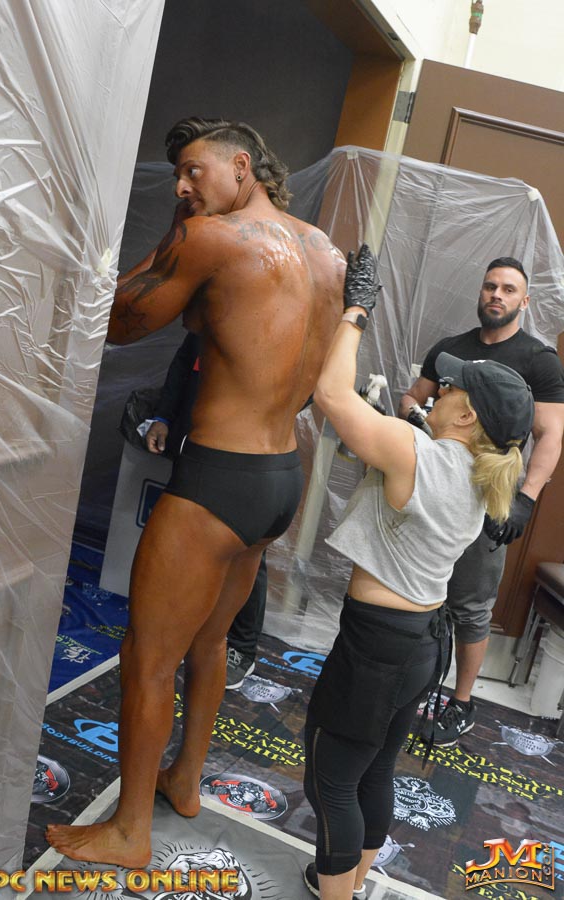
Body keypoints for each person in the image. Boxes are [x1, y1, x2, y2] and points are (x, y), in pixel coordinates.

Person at [46, 117, 345, 866]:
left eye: (192, 171)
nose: (181, 186)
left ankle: (128, 831)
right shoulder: (325, 251)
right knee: (209, 642)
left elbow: (117, 322)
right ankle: (183, 780)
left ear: (241, 166)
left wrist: (176, 234)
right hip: (279, 480)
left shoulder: (212, 238)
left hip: (217, 479)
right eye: (178, 176)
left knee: (148, 655)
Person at [303, 246, 533, 900]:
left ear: (467, 414)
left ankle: (337, 891)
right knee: (375, 772)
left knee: (331, 781)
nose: (441, 388)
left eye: (451, 388)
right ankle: (349, 881)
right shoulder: (477, 474)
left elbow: (329, 395)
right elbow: (404, 453)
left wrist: (356, 310)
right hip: (421, 645)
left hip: (377, 646)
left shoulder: (417, 454)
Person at [398, 257, 564, 746]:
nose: (497, 294)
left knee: (470, 606)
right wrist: (417, 422)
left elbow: (551, 434)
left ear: (524, 301)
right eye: (490, 286)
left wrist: (526, 499)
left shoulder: (539, 360)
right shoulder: (451, 350)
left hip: (489, 497)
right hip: (433, 490)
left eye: (509, 289)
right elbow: (411, 397)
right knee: (414, 587)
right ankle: (406, 685)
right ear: (480, 292)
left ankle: (462, 702)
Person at [146, 331, 266, 689]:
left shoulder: (277, 319)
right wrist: (163, 417)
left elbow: (300, 393)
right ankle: (181, 627)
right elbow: (184, 363)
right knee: (185, 541)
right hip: (193, 443)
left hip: (244, 453)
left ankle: (241, 647)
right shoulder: (210, 314)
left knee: (245, 548)